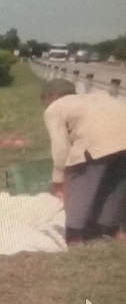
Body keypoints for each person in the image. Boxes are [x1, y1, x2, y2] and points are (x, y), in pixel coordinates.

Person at [40, 79, 126, 244]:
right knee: (115, 186)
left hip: (97, 143)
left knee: (78, 186)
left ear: (51, 96)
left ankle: (74, 236)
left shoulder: (55, 108)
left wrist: (59, 178)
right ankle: (112, 231)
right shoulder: (98, 98)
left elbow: (60, 147)